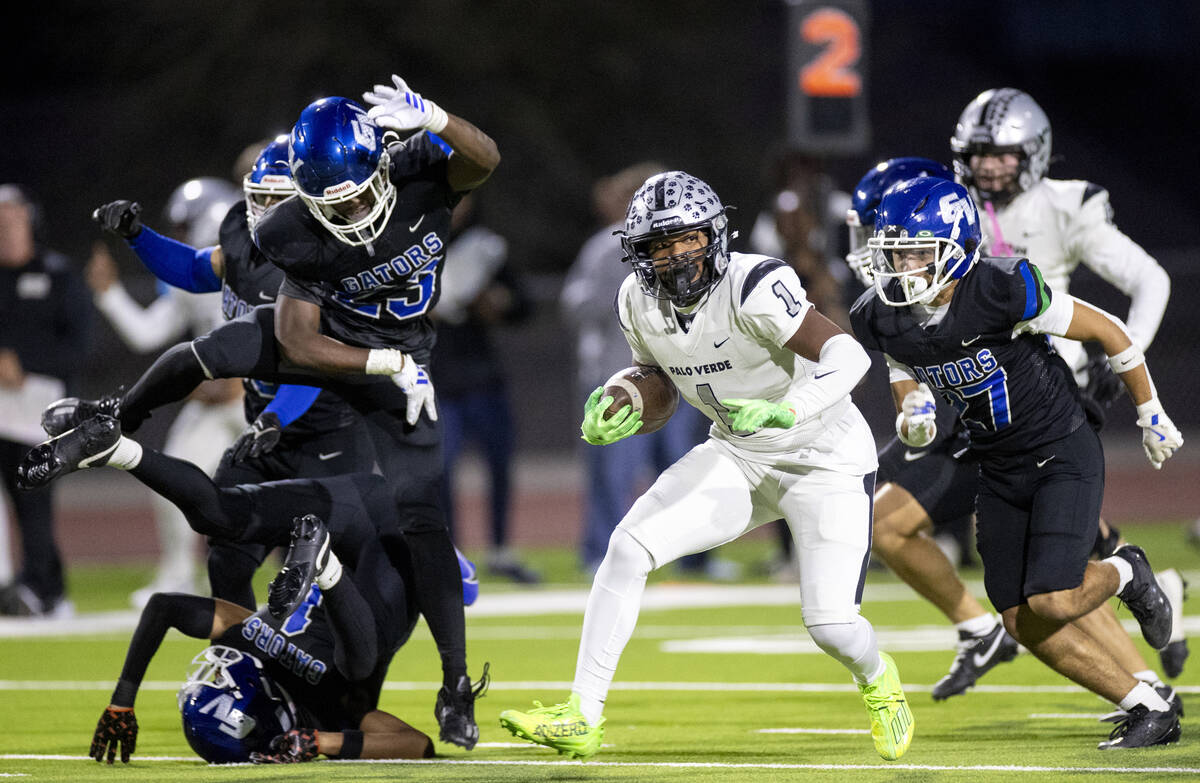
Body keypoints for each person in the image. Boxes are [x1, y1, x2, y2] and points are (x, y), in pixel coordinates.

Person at [44, 75, 498, 750]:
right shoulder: (285, 231)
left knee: (420, 516)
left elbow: (484, 158)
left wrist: (436, 117)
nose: (345, 216)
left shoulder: (416, 178)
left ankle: (454, 681)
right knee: (210, 354)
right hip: (344, 356)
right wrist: (376, 365)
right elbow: (292, 339)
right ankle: (116, 420)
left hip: (387, 376)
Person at [500, 171, 914, 762]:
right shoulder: (634, 300)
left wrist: (786, 409)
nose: (675, 255)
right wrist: (624, 396)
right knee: (627, 547)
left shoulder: (755, 284)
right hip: (738, 455)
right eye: (659, 246)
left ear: (714, 235)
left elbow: (847, 355)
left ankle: (877, 678)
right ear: (638, 254)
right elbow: (661, 382)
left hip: (822, 457)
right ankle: (581, 714)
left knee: (831, 625)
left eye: (687, 239)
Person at [849, 174, 1183, 749]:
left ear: (954, 246)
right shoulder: (880, 314)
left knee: (1053, 596)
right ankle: (1146, 705)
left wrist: (1150, 411)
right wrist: (912, 415)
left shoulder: (1003, 287)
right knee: (1020, 620)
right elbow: (903, 366)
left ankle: (1128, 570)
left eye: (914, 252)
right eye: (894, 251)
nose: (899, 266)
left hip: (1060, 449)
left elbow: (1107, 328)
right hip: (995, 463)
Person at [16, 411, 484, 764]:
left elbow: (417, 744)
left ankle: (325, 565)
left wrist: (323, 741)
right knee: (218, 514)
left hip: (377, 554)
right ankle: (122, 450)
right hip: (374, 519)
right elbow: (163, 608)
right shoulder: (255, 643)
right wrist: (123, 700)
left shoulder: (310, 699)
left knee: (356, 664)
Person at [951, 86, 1186, 678]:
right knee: (1062, 543)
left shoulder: (1064, 205)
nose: (989, 166)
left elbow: (1150, 279)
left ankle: (1139, 674)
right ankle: (1151, 630)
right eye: (979, 153)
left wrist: (1124, 356)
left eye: (1003, 153)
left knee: (1048, 545)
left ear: (1034, 152)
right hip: (989, 385)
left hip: (1051, 388)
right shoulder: (952, 204)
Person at [90, 135, 378, 611]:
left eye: (275, 199)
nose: (262, 209)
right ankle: (240, 653)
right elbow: (196, 269)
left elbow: (310, 368)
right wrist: (139, 236)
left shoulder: (324, 265)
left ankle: (416, 569)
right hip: (262, 420)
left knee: (329, 562)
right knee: (228, 550)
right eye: (258, 195)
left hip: (323, 430)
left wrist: (276, 417)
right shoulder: (243, 240)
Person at [560, 162, 731, 580]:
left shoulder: (687, 246)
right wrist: (620, 295)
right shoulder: (607, 246)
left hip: (679, 376)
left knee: (685, 471)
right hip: (623, 377)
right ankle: (600, 554)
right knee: (614, 474)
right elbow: (575, 305)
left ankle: (694, 557)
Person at [87, 176, 246, 607]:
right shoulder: (194, 276)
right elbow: (149, 333)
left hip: (267, 400)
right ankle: (178, 573)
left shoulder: (259, 265)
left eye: (183, 226)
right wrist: (109, 295)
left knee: (295, 484)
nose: (178, 235)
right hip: (216, 406)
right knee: (170, 477)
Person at [431, 192, 539, 583]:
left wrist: (499, 303)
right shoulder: (418, 244)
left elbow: (522, 305)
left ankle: (500, 549)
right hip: (437, 376)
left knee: (499, 465)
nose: (457, 206)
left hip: (483, 375)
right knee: (441, 468)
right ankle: (450, 553)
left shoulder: (486, 248)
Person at [0, 184, 92, 618]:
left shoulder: (58, 274)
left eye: (12, 216)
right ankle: (8, 588)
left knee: (33, 505)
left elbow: (81, 346)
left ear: (29, 220)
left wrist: (25, 364)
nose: (5, 225)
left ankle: (48, 592)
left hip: (40, 412)